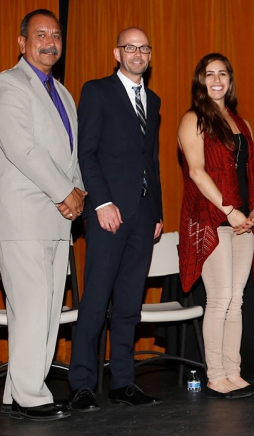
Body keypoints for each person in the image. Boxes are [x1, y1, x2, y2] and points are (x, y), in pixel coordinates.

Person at [0, 9, 85, 421]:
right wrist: (65, 192)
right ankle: (30, 394)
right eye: (41, 34)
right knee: (29, 307)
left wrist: (76, 193)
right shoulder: (7, 85)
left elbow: (71, 155)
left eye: (56, 35)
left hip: (58, 219)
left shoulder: (62, 93)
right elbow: (22, 148)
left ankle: (18, 392)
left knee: (46, 311)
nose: (50, 42)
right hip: (24, 216)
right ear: (21, 42)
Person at [69, 27, 163, 410]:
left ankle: (123, 382)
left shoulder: (153, 100)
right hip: (108, 212)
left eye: (143, 48)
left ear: (149, 55)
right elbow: (85, 153)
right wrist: (102, 203)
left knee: (129, 303)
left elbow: (151, 161)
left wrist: (157, 211)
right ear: (117, 52)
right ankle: (81, 384)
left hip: (143, 215)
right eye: (130, 47)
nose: (137, 53)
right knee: (95, 299)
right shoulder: (96, 91)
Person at [177, 53, 254, 399]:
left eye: (222, 74)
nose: (216, 79)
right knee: (219, 299)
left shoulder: (240, 122)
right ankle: (216, 375)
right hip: (212, 218)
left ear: (230, 80)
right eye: (208, 74)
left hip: (243, 220)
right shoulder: (193, 119)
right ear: (200, 81)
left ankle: (234, 372)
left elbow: (250, 170)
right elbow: (197, 172)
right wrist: (228, 209)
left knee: (237, 300)